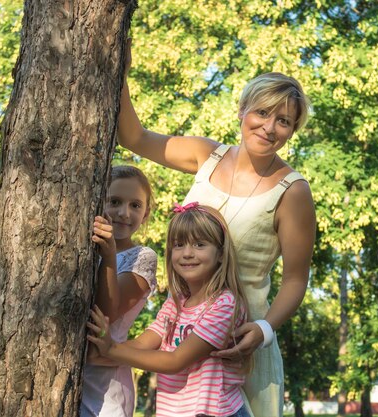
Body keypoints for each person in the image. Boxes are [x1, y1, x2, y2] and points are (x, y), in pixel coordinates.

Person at [118, 44, 316, 416]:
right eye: (261, 113)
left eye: (284, 121)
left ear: (293, 130)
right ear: (242, 110)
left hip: (240, 346)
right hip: (186, 335)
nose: (269, 128)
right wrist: (120, 70)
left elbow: (295, 280)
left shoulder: (293, 191)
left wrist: (264, 330)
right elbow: (134, 139)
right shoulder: (204, 156)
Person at [87, 203, 251, 417]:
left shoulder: (225, 304)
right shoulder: (177, 302)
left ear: (220, 254)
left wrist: (112, 350)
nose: (187, 253)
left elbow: (175, 361)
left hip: (217, 412)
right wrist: (102, 351)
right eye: (179, 245)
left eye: (200, 244)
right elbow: (141, 344)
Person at [81, 165, 158, 417]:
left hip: (106, 384)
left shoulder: (142, 257)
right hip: (72, 373)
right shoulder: (81, 247)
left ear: (146, 214)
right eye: (114, 201)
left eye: (135, 205)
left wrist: (110, 256)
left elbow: (106, 315)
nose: (124, 213)